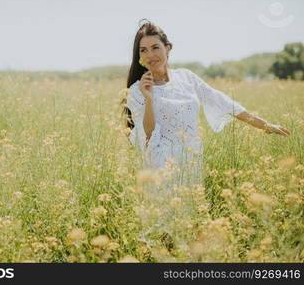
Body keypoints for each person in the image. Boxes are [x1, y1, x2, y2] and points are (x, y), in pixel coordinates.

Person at [121, 19, 292, 253]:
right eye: (143, 50)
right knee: (165, 233)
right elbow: (147, 136)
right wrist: (149, 98)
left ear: (168, 48)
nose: (150, 55)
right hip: (160, 166)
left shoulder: (186, 78)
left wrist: (264, 125)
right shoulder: (136, 90)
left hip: (190, 160)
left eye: (155, 47)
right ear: (139, 56)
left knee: (189, 227)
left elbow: (220, 101)